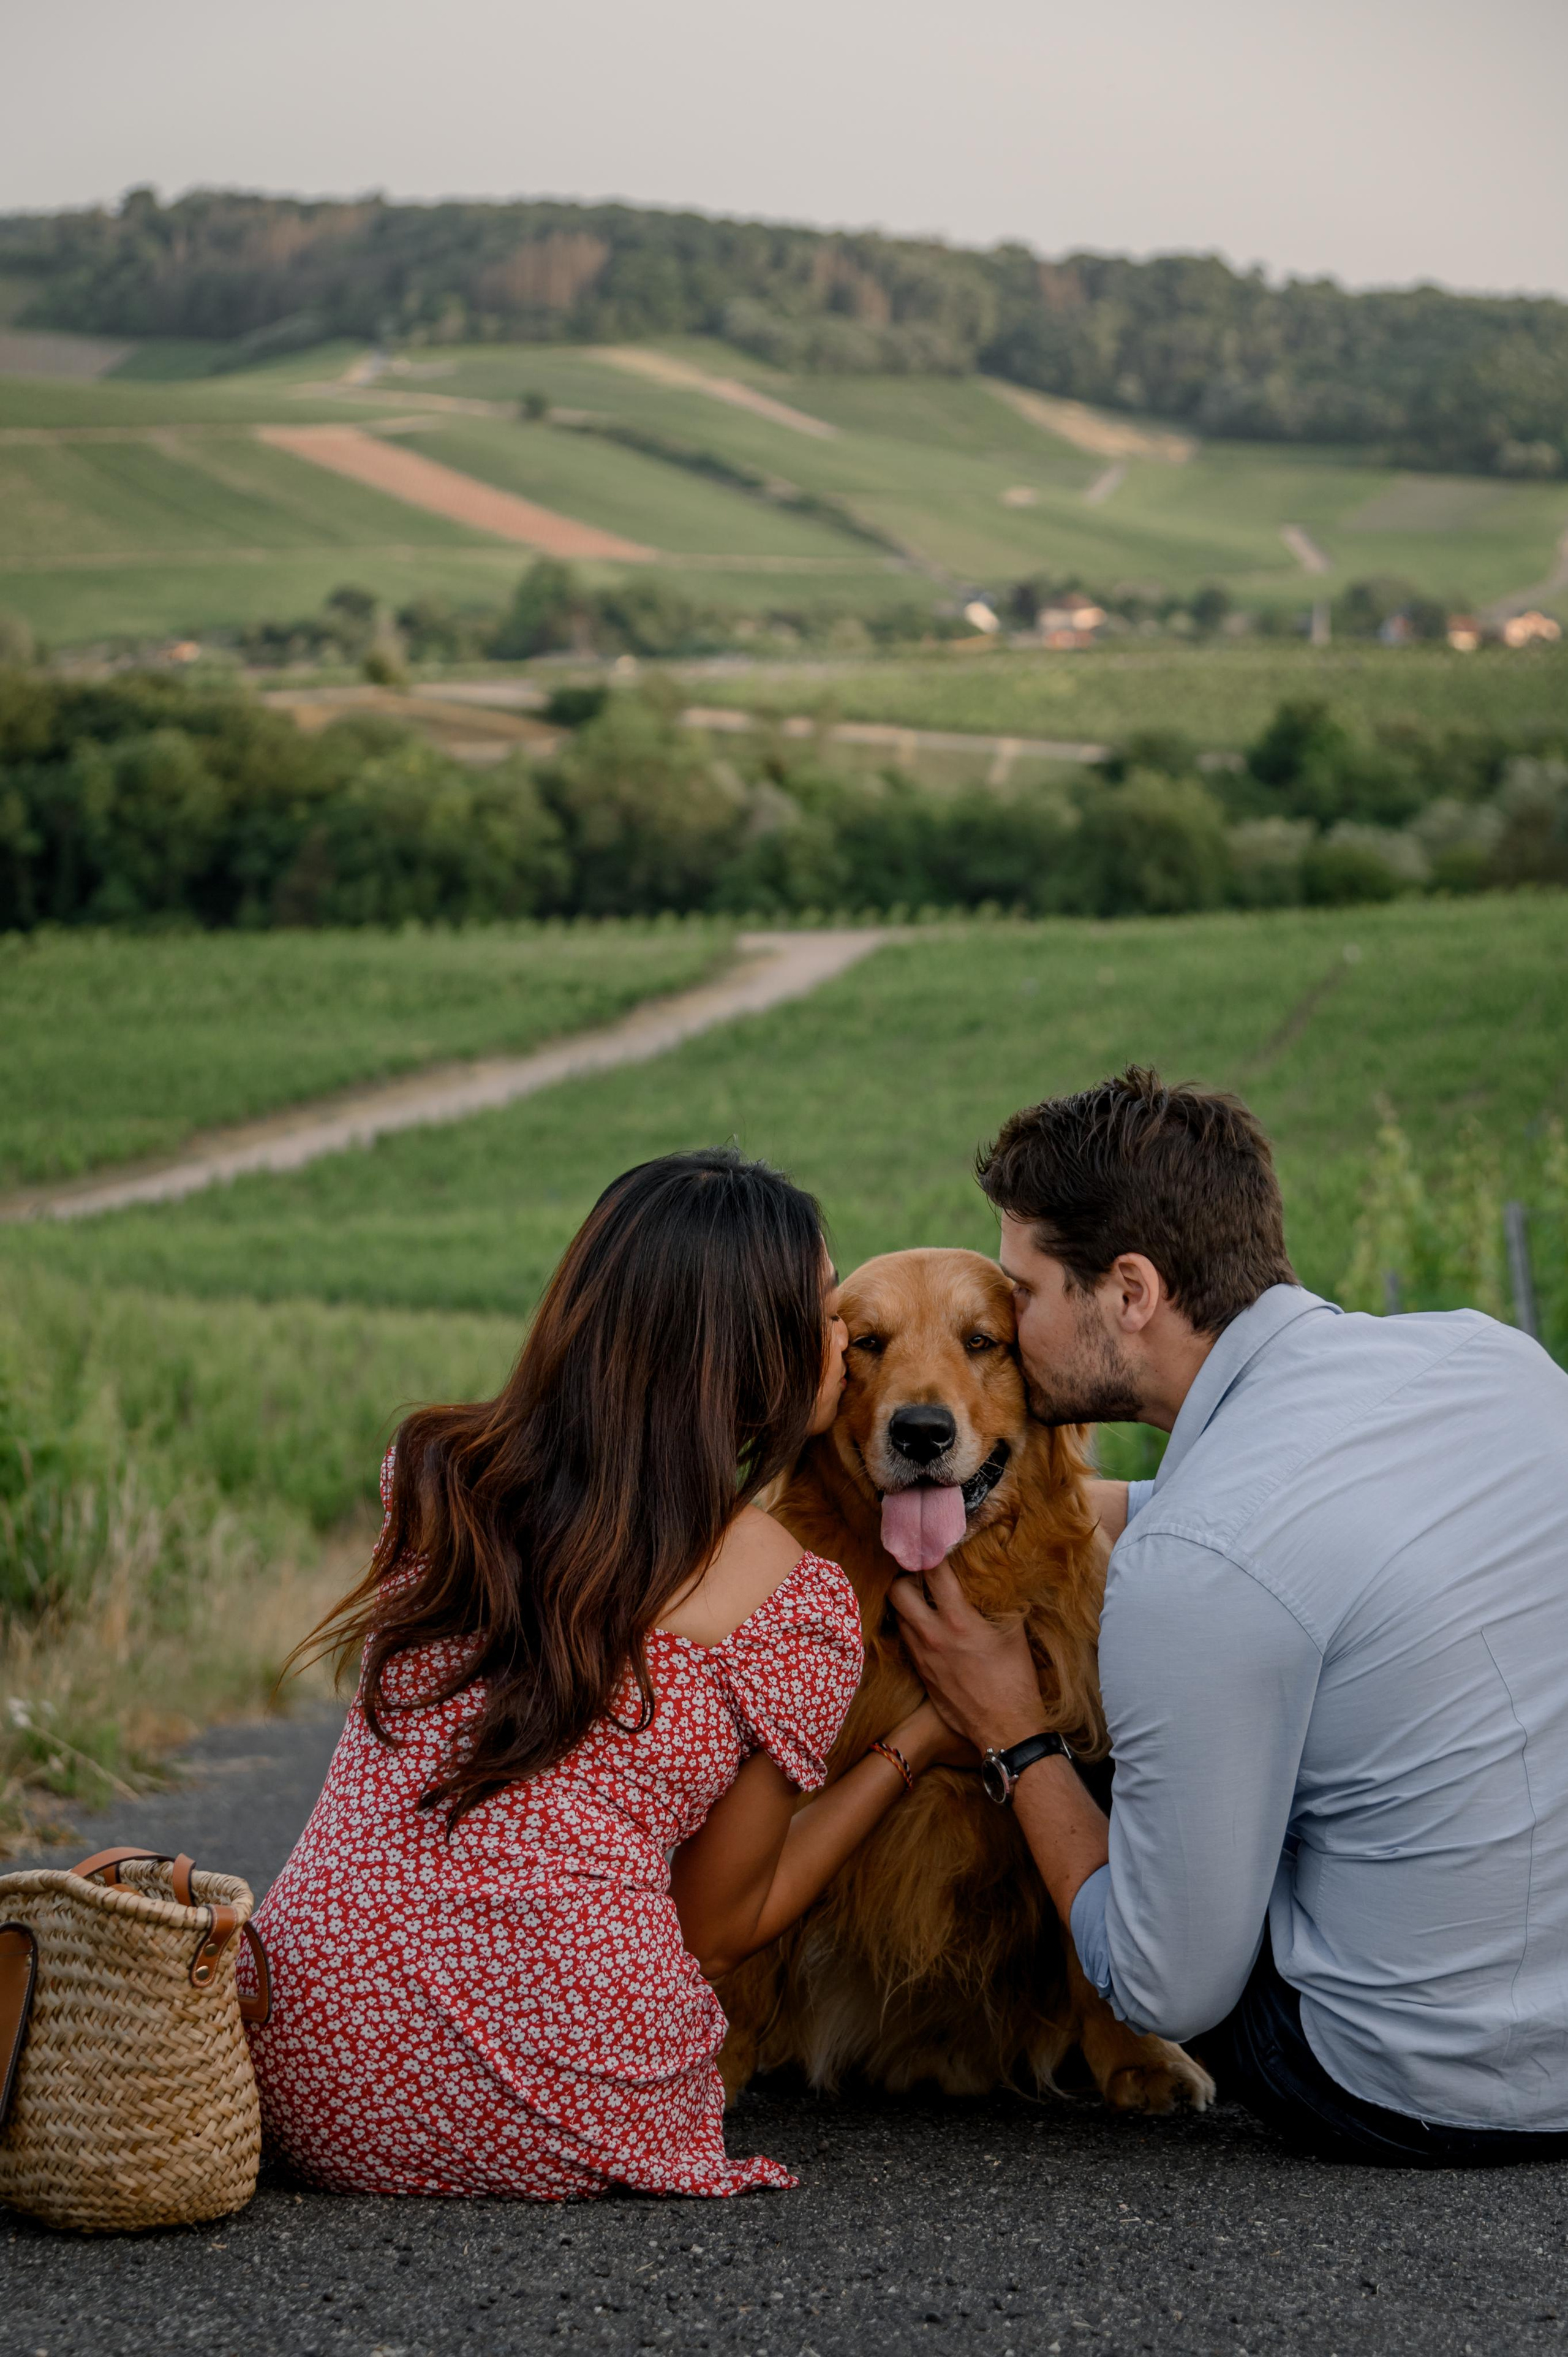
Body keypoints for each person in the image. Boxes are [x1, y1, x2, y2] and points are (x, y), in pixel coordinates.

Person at [248, 1147, 965, 2201]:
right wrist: (920, 1738)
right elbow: (720, 1927)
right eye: (819, 1311)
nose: (841, 1340)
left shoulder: (438, 1479)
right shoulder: (790, 1602)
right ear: (743, 1352)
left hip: (309, 2081)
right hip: (576, 2101)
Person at [892, 1067, 1568, 2166]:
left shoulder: (1190, 1573)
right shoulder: (1494, 1361)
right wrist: (1037, 1501)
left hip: (1416, 2084)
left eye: (1023, 1294)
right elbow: (1300, 1531)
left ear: (1130, 1292)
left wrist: (1012, 1728)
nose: (1010, 1328)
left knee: (1100, 1716)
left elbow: (1168, 1980)